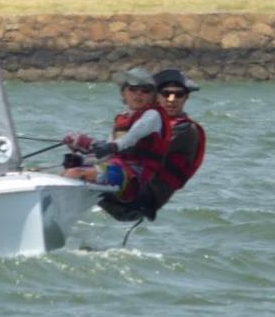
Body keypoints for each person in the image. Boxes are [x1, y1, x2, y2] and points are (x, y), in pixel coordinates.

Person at [99, 69, 206, 222]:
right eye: (165, 93)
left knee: (85, 174)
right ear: (156, 96)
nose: (171, 99)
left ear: (186, 98)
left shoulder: (186, 130)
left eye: (178, 94)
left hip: (141, 198)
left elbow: (135, 150)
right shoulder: (135, 120)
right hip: (126, 189)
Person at [62, 67, 170, 204]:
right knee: (63, 172)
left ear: (152, 95)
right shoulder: (123, 118)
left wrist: (109, 146)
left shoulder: (152, 116)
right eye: (133, 89)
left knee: (73, 174)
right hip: (117, 168)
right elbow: (108, 150)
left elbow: (130, 137)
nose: (139, 94)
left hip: (136, 179)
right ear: (123, 93)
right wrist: (83, 145)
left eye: (145, 91)